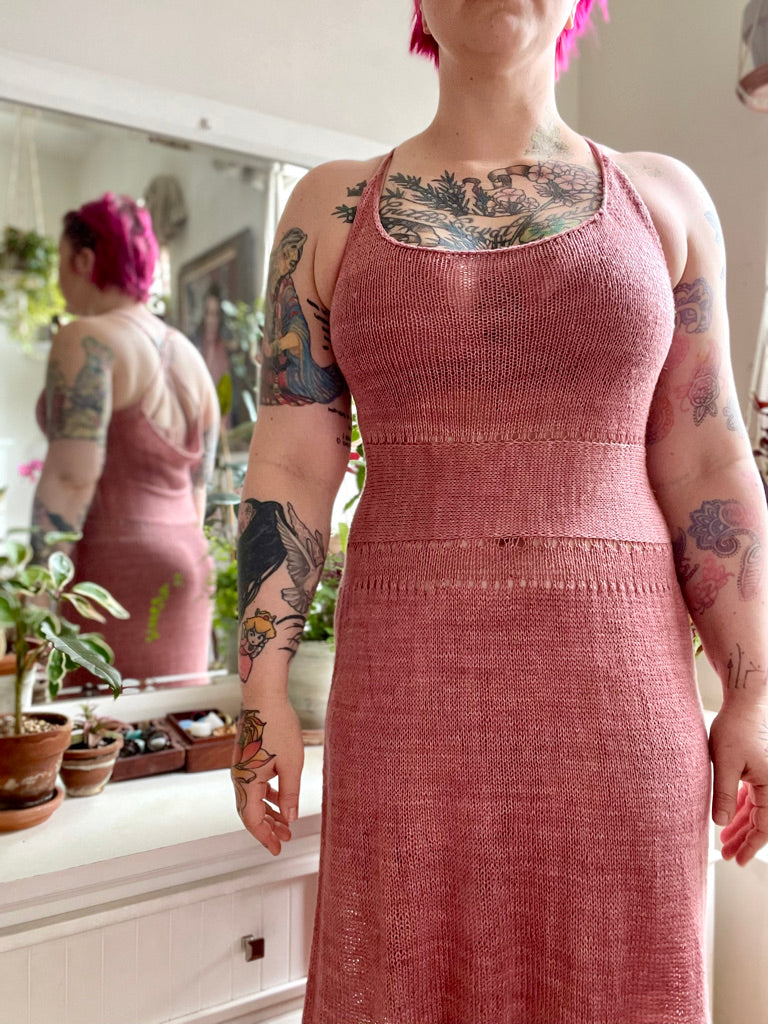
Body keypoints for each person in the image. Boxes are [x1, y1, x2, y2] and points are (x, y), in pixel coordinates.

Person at [232, 2, 768, 1021]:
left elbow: (708, 459)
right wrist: (261, 690)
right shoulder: (329, 208)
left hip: (619, 712)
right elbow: (290, 467)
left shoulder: (666, 199)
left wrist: (752, 691)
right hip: (406, 710)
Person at [33, 193, 220, 683]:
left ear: (83, 260)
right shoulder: (190, 356)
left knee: (94, 725)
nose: (59, 278)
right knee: (173, 724)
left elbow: (71, 478)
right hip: (189, 565)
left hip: (115, 567)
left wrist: (37, 590)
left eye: (60, 261)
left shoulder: (86, 338)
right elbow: (198, 490)